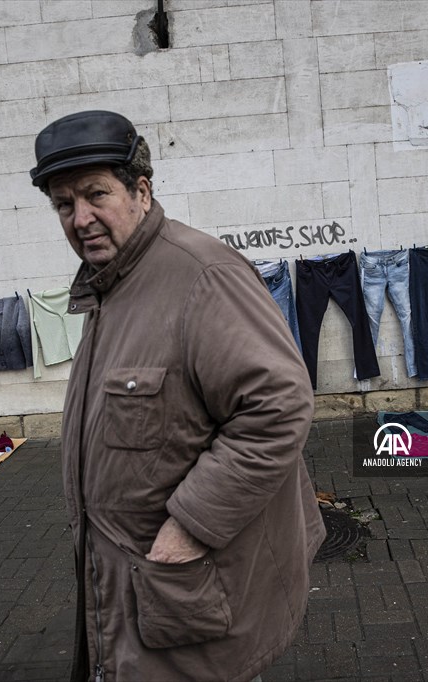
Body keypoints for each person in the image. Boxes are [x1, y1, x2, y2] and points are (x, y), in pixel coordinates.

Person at [30, 110, 325, 682]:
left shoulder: (201, 275)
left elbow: (280, 405)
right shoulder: (112, 281)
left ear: (141, 191)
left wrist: (189, 528)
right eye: (64, 205)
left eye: (96, 195)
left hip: (181, 573)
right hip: (132, 583)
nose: (81, 219)